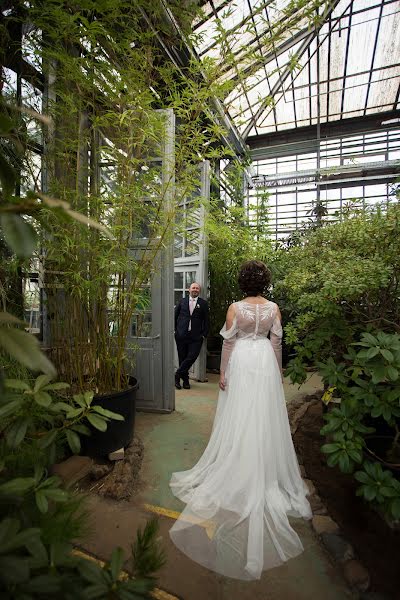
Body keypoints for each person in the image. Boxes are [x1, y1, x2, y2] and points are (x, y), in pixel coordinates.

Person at [169, 260, 311, 580]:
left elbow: (229, 343)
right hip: (262, 361)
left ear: (243, 282)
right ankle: (259, 466)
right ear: (265, 281)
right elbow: (276, 344)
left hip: (244, 362)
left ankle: (238, 462)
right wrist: (278, 373)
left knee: (239, 413)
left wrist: (223, 373)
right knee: (262, 415)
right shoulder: (274, 309)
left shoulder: (235, 308)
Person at [174, 282, 209, 390]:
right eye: (193, 288)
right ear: (189, 290)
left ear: (199, 291)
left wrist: (204, 335)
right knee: (182, 357)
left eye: (197, 288)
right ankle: (185, 381)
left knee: (192, 357)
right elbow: (175, 316)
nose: (195, 290)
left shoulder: (203, 303)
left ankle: (177, 374)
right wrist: (175, 331)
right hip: (181, 334)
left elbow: (207, 320)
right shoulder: (182, 301)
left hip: (196, 337)